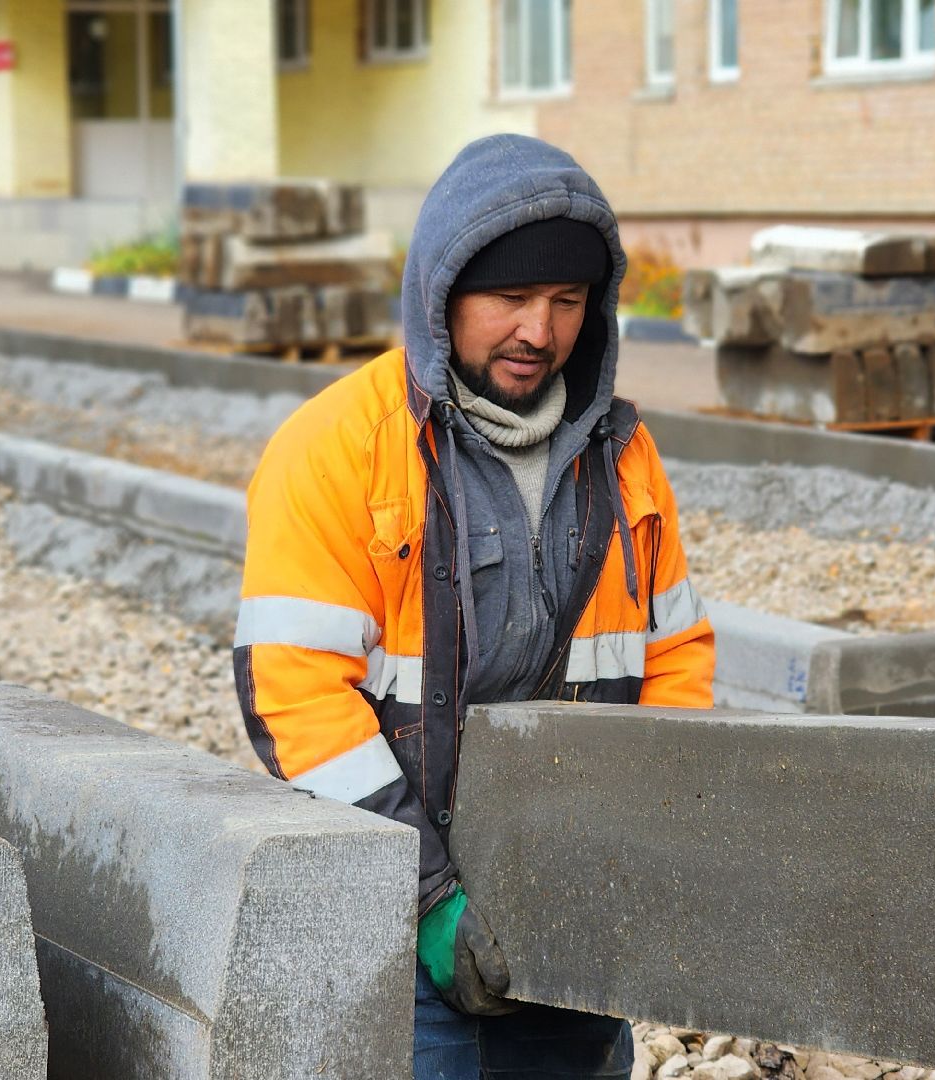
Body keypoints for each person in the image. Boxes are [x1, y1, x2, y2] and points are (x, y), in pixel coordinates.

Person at [233, 134, 715, 1079]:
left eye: (568, 300)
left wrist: (640, 857)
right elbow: (296, 692)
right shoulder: (339, 447)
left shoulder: (622, 454)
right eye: (511, 297)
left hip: (579, 928)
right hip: (399, 939)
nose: (539, 330)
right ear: (442, 293)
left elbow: (675, 656)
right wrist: (429, 901)